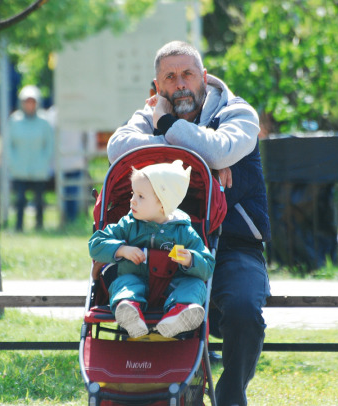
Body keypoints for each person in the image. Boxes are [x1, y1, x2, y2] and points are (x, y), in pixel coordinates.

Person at [106, 41, 271, 406]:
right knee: (169, 310)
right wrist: (202, 158)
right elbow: (118, 148)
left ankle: (231, 394)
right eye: (170, 77)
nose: (180, 83)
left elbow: (220, 148)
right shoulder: (147, 112)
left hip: (234, 243)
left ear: (204, 77)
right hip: (171, 245)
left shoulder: (237, 111)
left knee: (245, 312)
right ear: (158, 87)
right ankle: (184, 394)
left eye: (187, 74)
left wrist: (166, 131)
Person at [89, 160, 215, 338]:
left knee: (194, 285)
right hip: (137, 281)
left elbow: (208, 266)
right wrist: (122, 250)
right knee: (124, 283)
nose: (132, 200)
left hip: (173, 287)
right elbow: (96, 244)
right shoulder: (128, 224)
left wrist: (191, 259)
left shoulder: (183, 231)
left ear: (163, 204)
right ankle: (129, 311)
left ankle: (180, 313)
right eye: (133, 194)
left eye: (141, 196)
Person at [6, 85, 54, 231]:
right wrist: (13, 163)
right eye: (27, 102)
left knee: (39, 200)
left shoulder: (44, 122)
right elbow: (8, 145)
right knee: (20, 199)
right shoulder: (14, 121)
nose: (29, 105)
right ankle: (18, 226)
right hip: (19, 168)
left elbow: (49, 144)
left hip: (38, 168)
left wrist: (44, 162)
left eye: (32, 102)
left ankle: (39, 225)